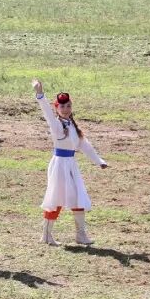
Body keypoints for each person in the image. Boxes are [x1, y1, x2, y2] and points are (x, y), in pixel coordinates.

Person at [31, 79, 108, 246]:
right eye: (62, 106)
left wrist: (99, 161)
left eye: (68, 106)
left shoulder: (72, 125)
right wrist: (40, 94)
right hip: (59, 165)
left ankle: (81, 235)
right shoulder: (56, 124)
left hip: (71, 165)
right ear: (57, 108)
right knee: (55, 198)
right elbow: (46, 112)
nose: (65, 109)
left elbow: (85, 145)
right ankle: (46, 235)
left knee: (78, 196)